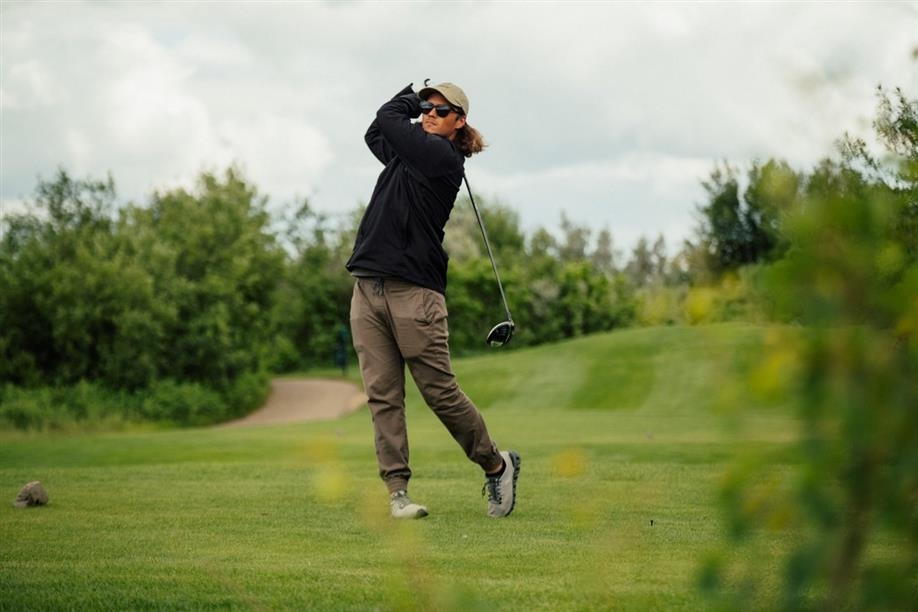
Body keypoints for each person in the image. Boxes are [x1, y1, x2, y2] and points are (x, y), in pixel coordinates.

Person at [346, 81, 520, 519]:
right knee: (382, 396)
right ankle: (397, 493)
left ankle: (497, 465)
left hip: (414, 295)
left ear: (459, 122)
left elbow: (389, 118)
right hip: (368, 289)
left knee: (439, 393)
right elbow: (375, 133)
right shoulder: (409, 155)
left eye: (439, 110)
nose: (427, 114)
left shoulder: (442, 160)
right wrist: (416, 101)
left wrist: (407, 93)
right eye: (425, 108)